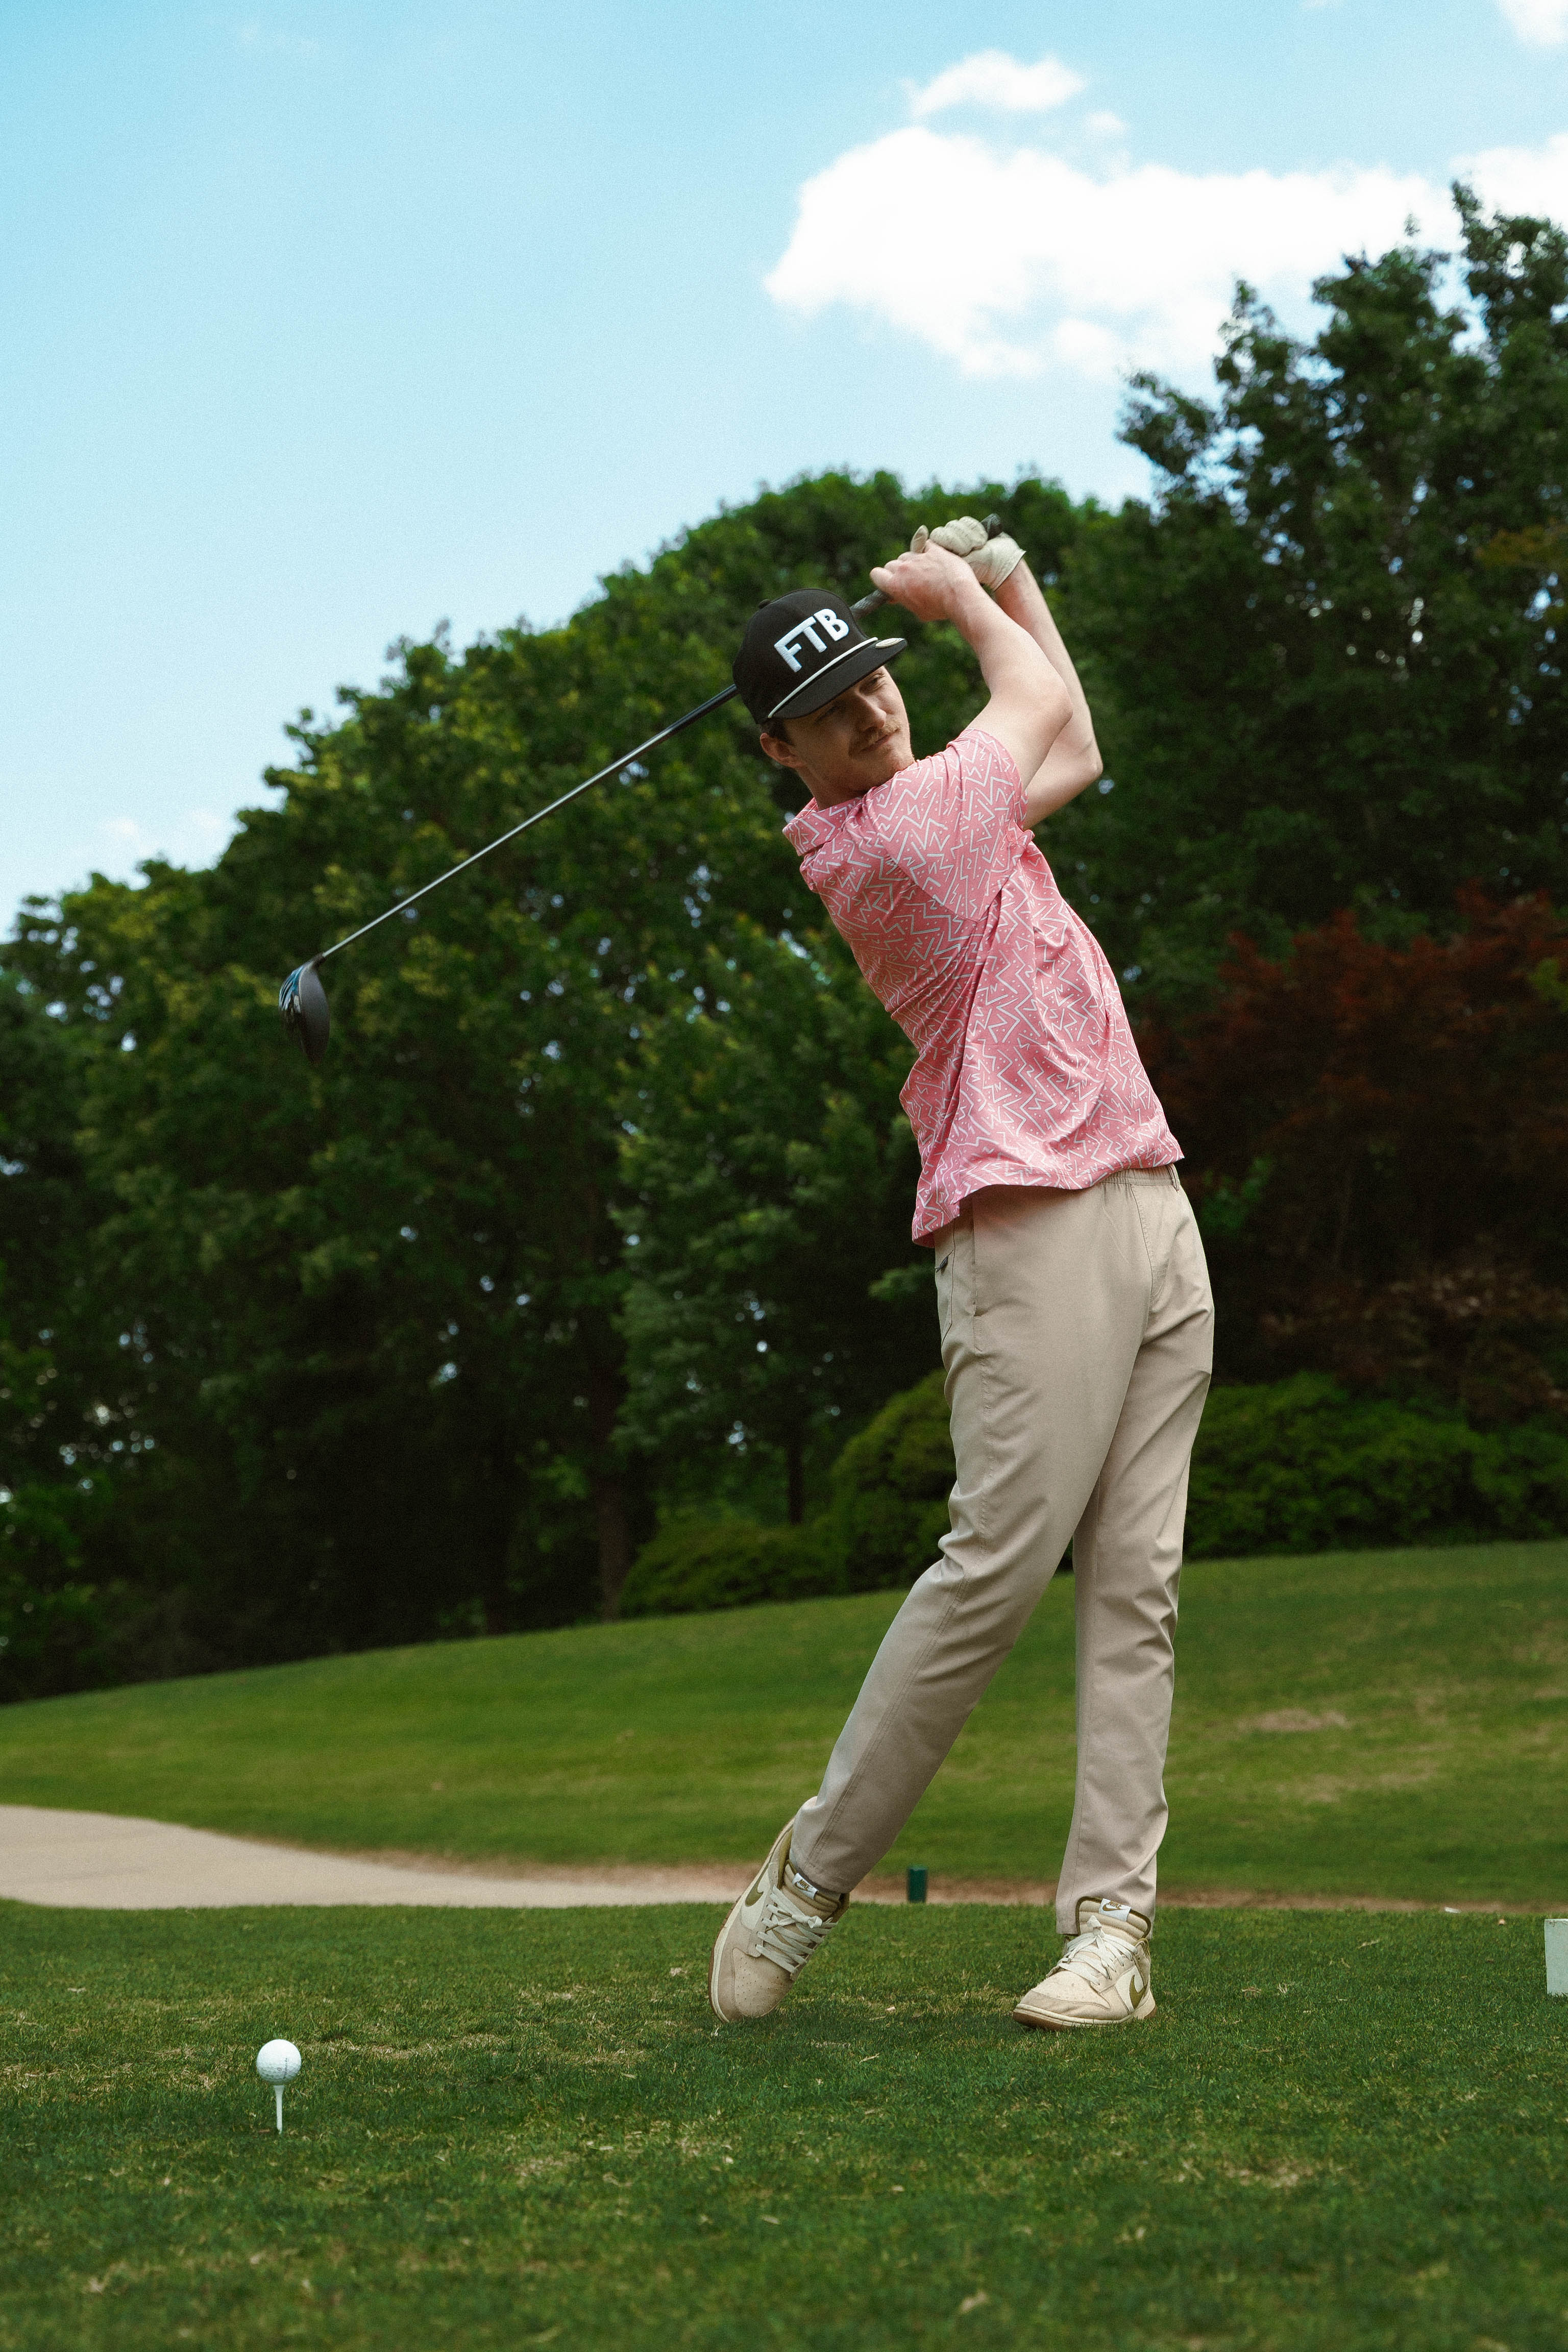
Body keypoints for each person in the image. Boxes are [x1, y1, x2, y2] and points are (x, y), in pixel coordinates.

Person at [707, 518, 1214, 2032]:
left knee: (1138, 1593)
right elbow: (1034, 705)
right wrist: (960, 599)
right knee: (996, 1566)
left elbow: (1080, 739)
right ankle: (804, 1883)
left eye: (877, 678)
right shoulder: (888, 840)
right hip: (1025, 1219)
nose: (872, 708)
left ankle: (1110, 1932)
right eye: (831, 710)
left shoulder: (953, 803)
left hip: (1148, 1193)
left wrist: (1013, 585)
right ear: (781, 753)